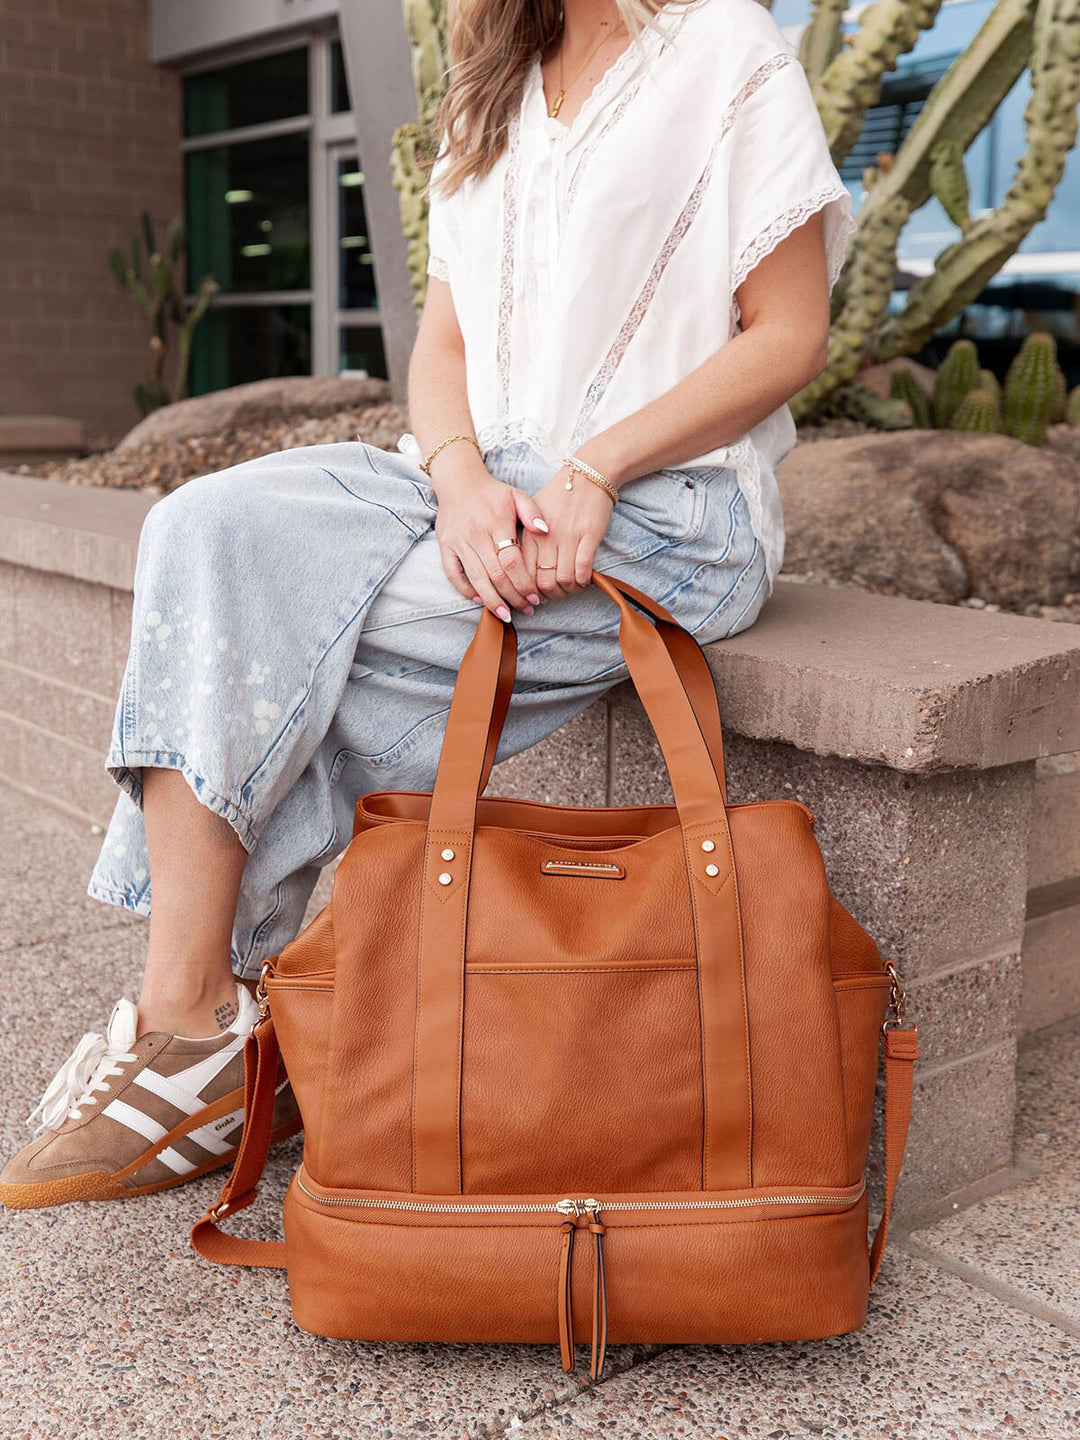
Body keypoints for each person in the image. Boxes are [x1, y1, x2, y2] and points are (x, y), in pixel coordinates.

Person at [1, 0, 854, 1209]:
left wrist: (596, 468)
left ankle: (196, 1022)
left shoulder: (723, 49)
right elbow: (443, 341)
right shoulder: (493, 74)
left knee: (317, 624)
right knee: (200, 529)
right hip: (472, 477)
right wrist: (458, 481)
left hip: (669, 508)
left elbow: (790, 332)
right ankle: (209, 1023)